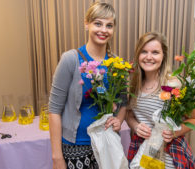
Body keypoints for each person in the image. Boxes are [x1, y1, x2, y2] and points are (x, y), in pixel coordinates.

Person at [48, 2, 126, 169]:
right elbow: (54, 110)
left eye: (109, 25)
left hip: (107, 143)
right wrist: (57, 157)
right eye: (98, 23)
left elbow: (123, 102)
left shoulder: (117, 64)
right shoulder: (70, 59)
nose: (103, 30)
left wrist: (118, 120)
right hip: (75, 146)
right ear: (86, 24)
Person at [126, 32, 195, 169]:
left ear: (163, 56)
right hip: (141, 150)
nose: (149, 57)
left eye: (155, 52)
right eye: (144, 52)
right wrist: (136, 126)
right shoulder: (135, 84)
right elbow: (129, 114)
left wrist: (175, 132)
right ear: (138, 55)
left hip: (168, 154)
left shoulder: (175, 84)